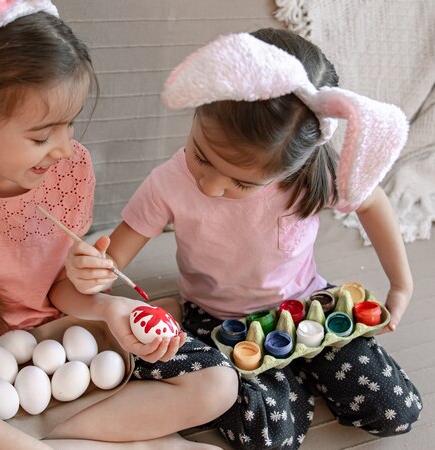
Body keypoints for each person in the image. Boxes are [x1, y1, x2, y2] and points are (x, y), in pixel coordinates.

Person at [0, 1, 238, 449]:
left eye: (69, 126)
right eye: (42, 136)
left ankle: (56, 436)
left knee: (218, 385)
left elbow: (62, 286)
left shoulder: (69, 170)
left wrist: (105, 307)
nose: (64, 149)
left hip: (62, 324)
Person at [66, 28, 423, 449]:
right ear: (197, 112)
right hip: (219, 320)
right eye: (201, 156)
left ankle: (300, 375)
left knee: (396, 411)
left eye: (240, 182)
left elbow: (372, 201)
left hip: (311, 307)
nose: (211, 186)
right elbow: (111, 261)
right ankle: (281, 382)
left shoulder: (310, 176)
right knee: (269, 438)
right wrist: (89, 270)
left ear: (290, 168)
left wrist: (401, 282)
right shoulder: (167, 184)